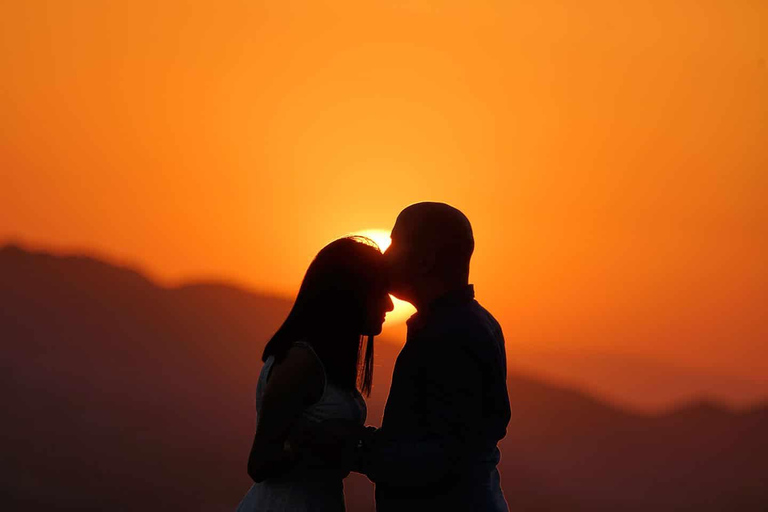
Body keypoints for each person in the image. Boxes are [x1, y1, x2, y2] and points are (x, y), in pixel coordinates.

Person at [352, 202, 511, 511]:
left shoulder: (451, 335)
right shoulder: (470, 324)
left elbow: (445, 454)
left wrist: (355, 449)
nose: (385, 256)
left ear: (424, 260)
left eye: (395, 244)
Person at [236, 236, 394, 512]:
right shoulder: (300, 362)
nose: (390, 305)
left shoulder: (325, 362)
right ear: (351, 294)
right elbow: (260, 462)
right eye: (380, 292)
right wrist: (317, 445)